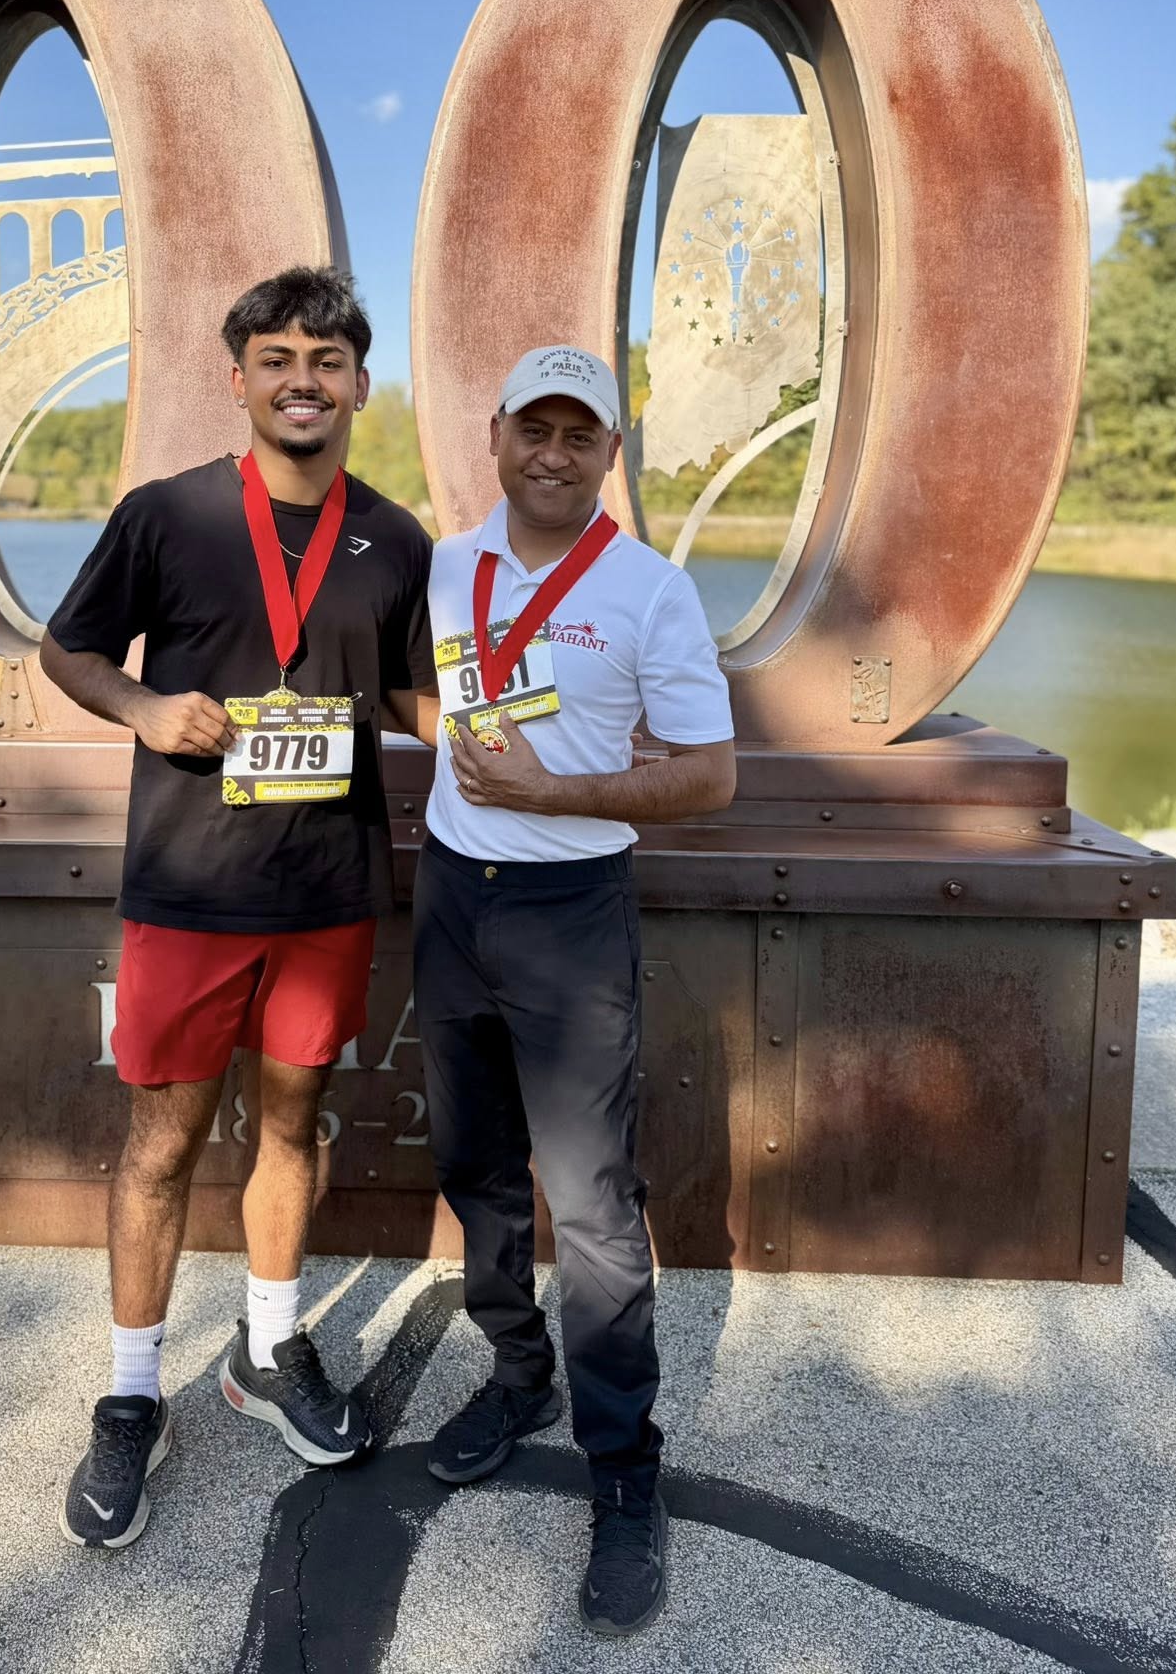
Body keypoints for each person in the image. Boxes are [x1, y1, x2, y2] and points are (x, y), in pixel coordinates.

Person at [41, 266, 435, 1550]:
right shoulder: (167, 515)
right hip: (190, 888)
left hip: (329, 891)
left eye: (327, 359)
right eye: (278, 358)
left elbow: (414, 695)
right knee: (160, 1144)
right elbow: (68, 648)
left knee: (293, 1123)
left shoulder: (397, 537)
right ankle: (130, 1391)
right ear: (240, 379)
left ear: (360, 384)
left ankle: (267, 1350)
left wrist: (520, 737)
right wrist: (144, 707)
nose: (303, 379)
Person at [403, 344, 735, 1638]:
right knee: (474, 1165)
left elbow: (708, 774)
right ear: (494, 435)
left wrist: (562, 790)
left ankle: (623, 1469)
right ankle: (518, 1371)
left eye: (577, 434)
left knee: (592, 1206)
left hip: (572, 907)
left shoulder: (650, 589)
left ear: (610, 451)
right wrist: (459, 742)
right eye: (532, 429)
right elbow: (420, 694)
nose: (552, 453)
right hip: (452, 897)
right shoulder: (446, 567)